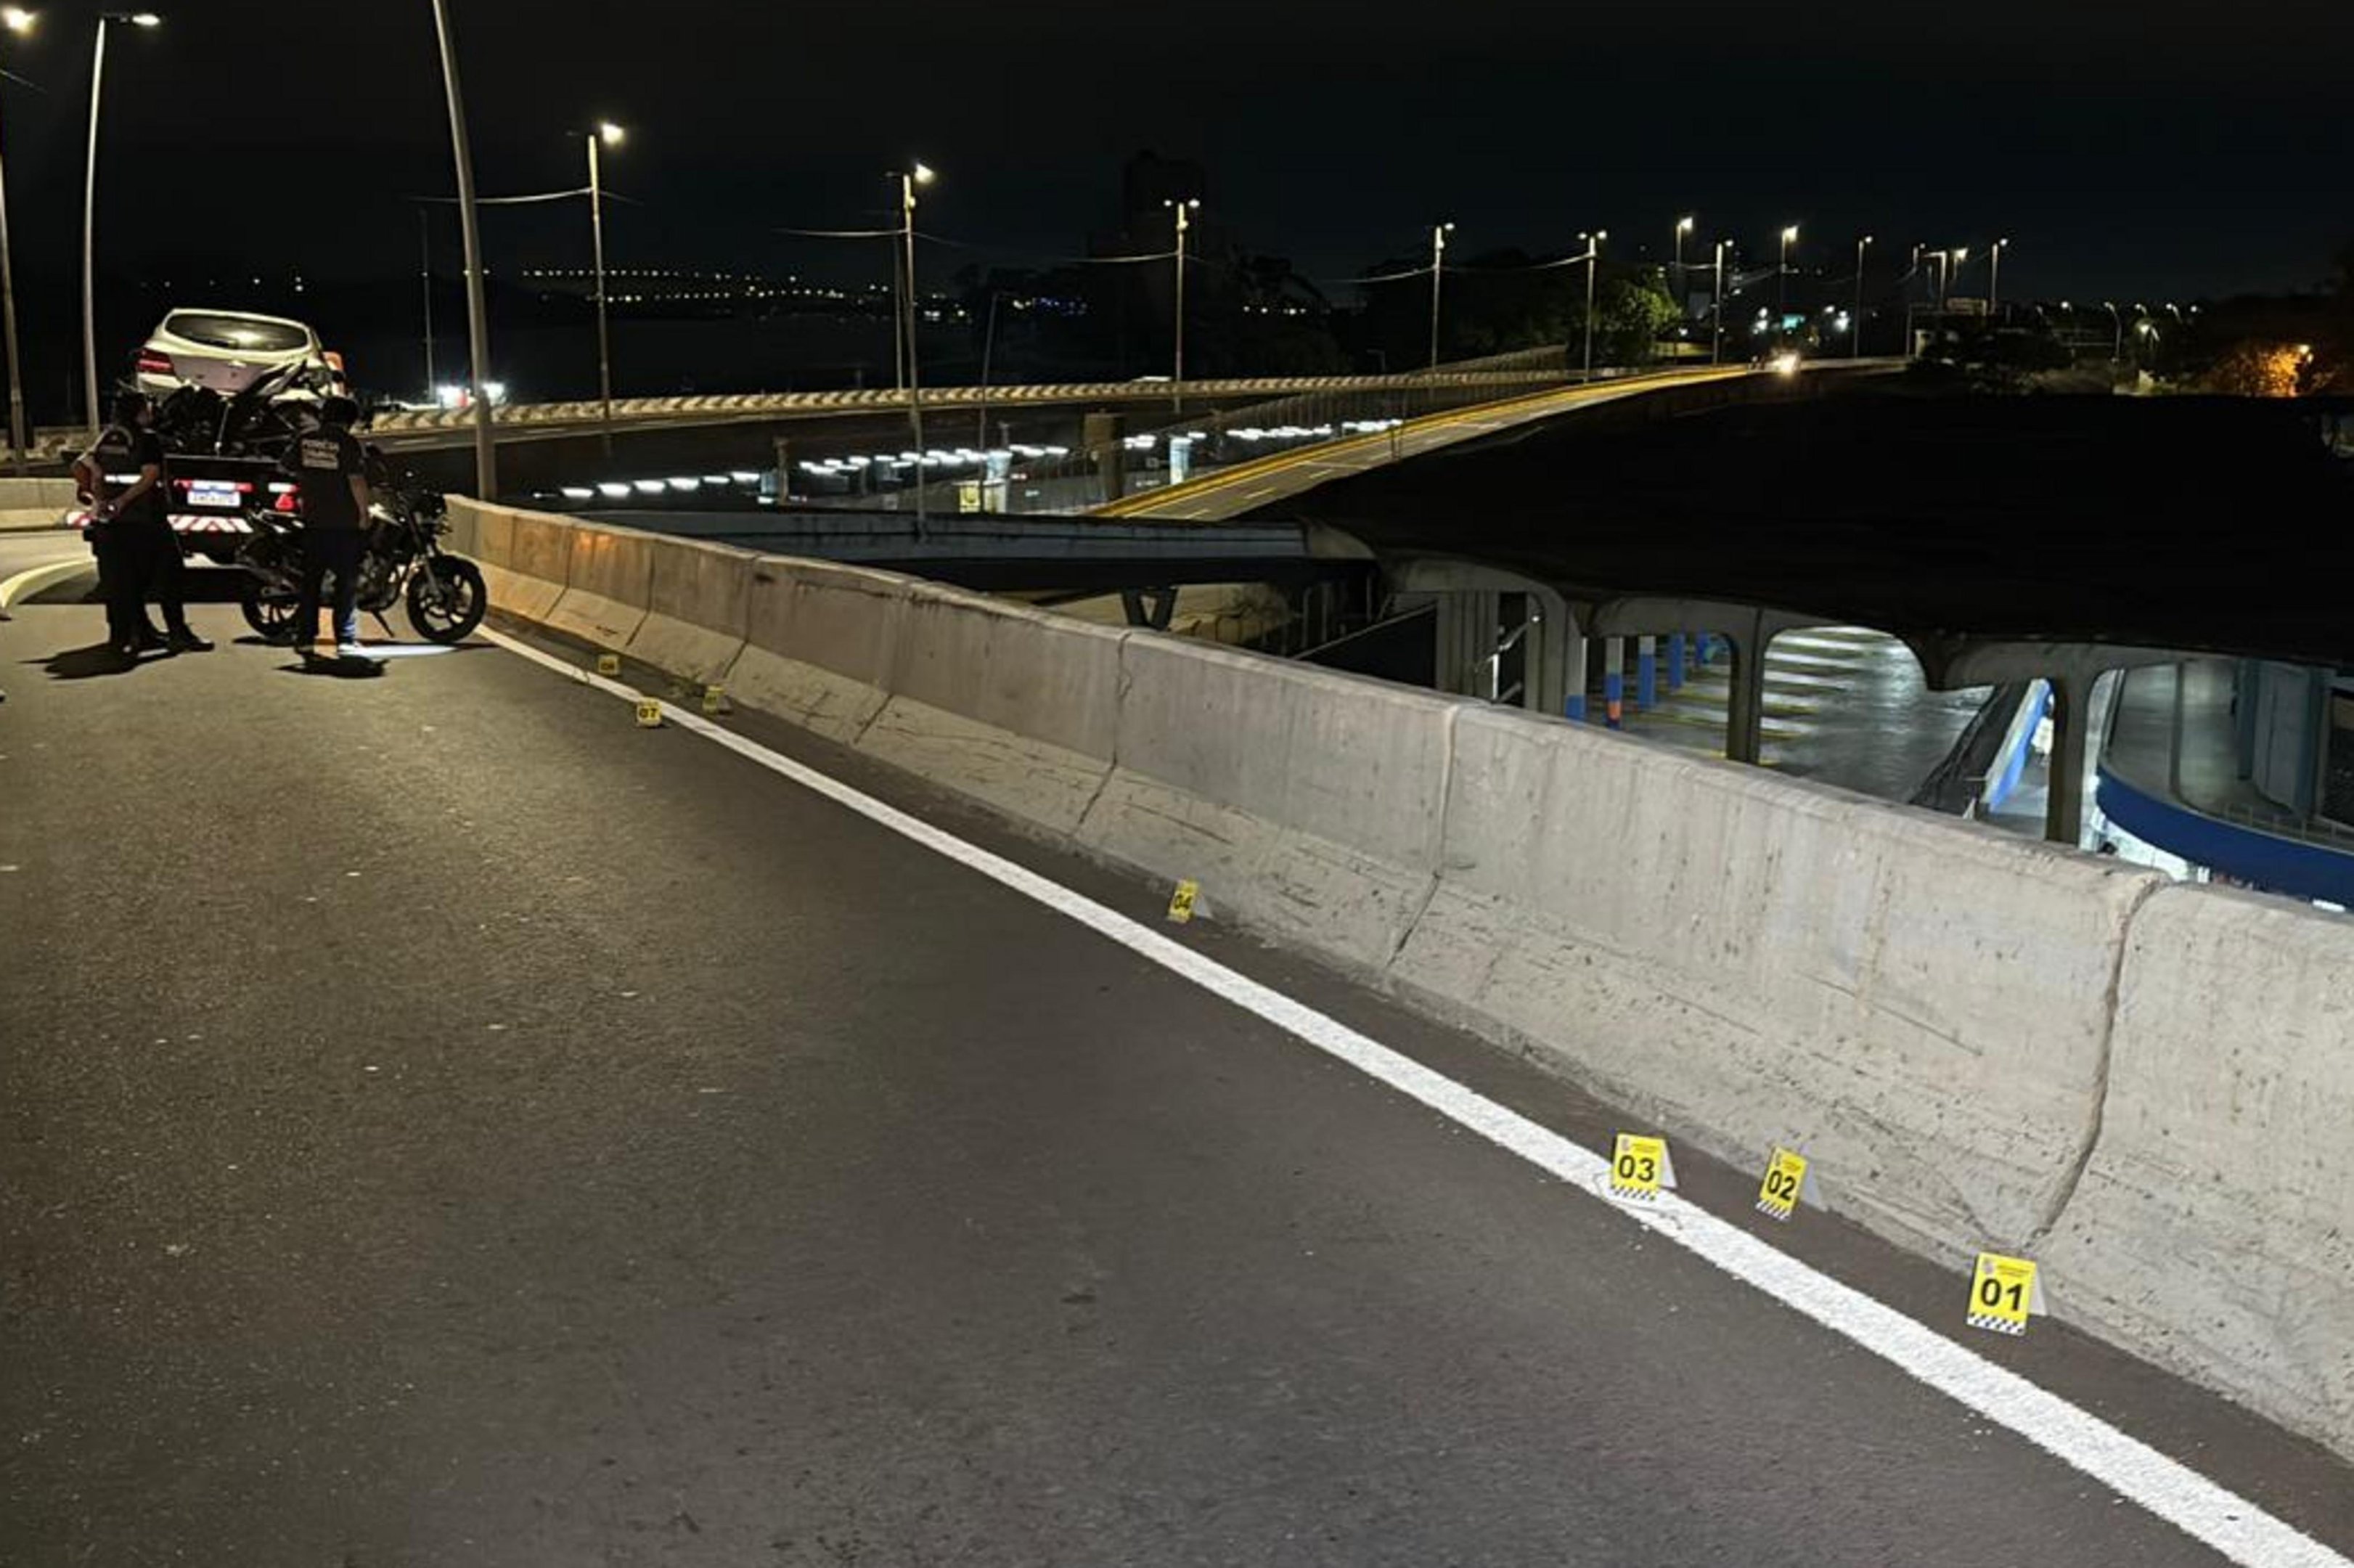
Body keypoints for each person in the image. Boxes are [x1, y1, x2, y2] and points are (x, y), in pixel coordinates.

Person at [73, 391, 210, 658]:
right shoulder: (146, 439)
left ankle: (135, 633)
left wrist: (98, 497)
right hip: (146, 519)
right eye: (146, 409)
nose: (150, 413)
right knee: (171, 575)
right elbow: (150, 476)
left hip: (112, 523)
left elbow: (80, 467)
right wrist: (124, 500)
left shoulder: (108, 437)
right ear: (139, 412)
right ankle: (178, 632)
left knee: (127, 580)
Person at [282, 394, 372, 657]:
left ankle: (305, 638)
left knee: (311, 583)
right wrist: (363, 514)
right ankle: (344, 638)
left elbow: (285, 466)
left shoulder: (305, 441)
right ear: (349, 420)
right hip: (343, 524)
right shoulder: (348, 443)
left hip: (312, 521)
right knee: (346, 583)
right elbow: (356, 481)